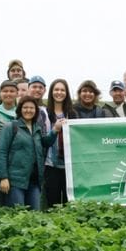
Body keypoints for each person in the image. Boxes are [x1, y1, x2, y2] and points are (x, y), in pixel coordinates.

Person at [0, 96, 60, 210]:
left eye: (31, 108)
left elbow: (45, 143)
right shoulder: (11, 127)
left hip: (34, 181)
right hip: (15, 181)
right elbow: (1, 152)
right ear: (20, 109)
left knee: (34, 216)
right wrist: (3, 177)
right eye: (25, 107)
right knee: (18, 215)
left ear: (36, 111)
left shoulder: (37, 128)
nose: (28, 110)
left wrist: (54, 130)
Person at [44, 78, 77, 206]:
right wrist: (55, 130)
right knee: (53, 203)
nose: (59, 92)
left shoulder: (72, 114)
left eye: (62, 90)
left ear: (67, 93)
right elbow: (44, 141)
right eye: (56, 89)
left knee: (69, 203)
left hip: (69, 166)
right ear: (51, 92)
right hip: (50, 165)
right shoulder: (44, 113)